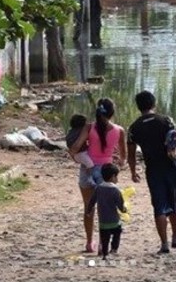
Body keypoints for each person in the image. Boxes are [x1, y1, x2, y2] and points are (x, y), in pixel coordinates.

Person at [127, 90, 176, 254]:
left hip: (153, 170)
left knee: (159, 207)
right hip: (172, 168)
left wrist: (133, 171)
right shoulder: (165, 120)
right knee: (175, 203)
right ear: (153, 104)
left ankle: (164, 244)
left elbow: (131, 154)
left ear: (138, 107)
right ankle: (175, 237)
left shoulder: (134, 128)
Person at [68, 98, 127, 253]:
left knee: (89, 208)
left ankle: (89, 243)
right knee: (105, 210)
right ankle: (102, 245)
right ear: (112, 113)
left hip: (87, 171)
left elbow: (74, 148)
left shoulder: (89, 127)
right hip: (106, 174)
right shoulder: (119, 131)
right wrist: (116, 161)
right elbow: (123, 158)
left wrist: (77, 158)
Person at [86, 163, 126, 260]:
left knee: (105, 239)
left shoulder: (98, 188)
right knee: (118, 232)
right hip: (114, 220)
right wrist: (124, 210)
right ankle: (114, 248)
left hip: (103, 221)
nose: (117, 179)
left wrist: (89, 210)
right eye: (117, 177)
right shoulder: (116, 190)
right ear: (113, 177)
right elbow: (120, 204)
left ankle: (105, 254)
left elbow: (92, 201)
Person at [66, 114, 97, 187]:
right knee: (90, 164)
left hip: (78, 154)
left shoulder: (71, 132)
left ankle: (88, 177)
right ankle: (91, 179)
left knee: (87, 165)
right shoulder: (81, 131)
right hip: (81, 154)